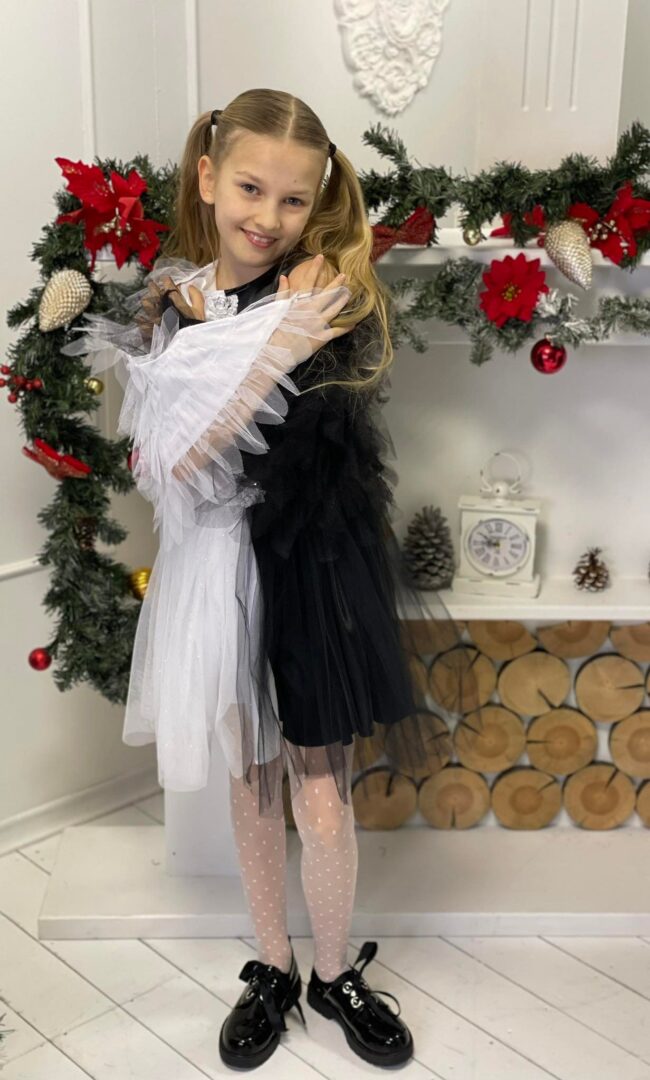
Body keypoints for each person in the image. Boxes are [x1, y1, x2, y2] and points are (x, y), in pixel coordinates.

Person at [63, 89, 477, 1071]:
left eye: (294, 200)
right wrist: (269, 354)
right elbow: (168, 461)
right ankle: (275, 968)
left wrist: (290, 332)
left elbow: (321, 427)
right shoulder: (171, 305)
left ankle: (334, 972)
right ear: (209, 178)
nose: (268, 217)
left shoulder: (320, 289)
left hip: (307, 564)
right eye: (250, 189)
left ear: (316, 202)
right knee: (253, 787)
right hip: (217, 570)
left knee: (320, 794)